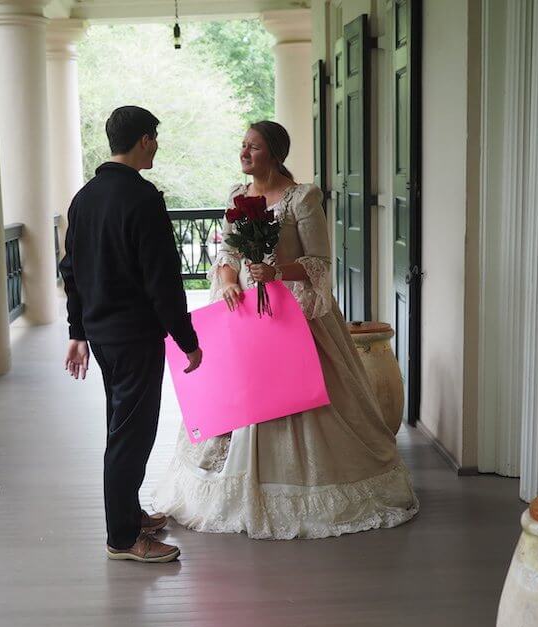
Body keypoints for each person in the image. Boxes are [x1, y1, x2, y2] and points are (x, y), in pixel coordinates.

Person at [153, 121, 419, 539]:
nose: (244, 152)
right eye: (242, 145)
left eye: (253, 147)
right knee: (236, 397)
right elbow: (227, 250)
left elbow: (319, 262)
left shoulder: (303, 196)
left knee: (298, 393)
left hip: (294, 314)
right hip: (244, 314)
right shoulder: (237, 196)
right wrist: (226, 281)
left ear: (275, 154)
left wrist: (276, 270)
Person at [60, 105, 203, 563]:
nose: (157, 145)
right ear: (142, 139)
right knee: (132, 434)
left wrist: (77, 331)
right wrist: (187, 338)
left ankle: (129, 513)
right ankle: (122, 538)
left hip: (103, 335)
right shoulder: (142, 199)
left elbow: (72, 272)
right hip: (135, 336)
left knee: (121, 425)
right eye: (154, 138)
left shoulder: (84, 198)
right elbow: (162, 278)